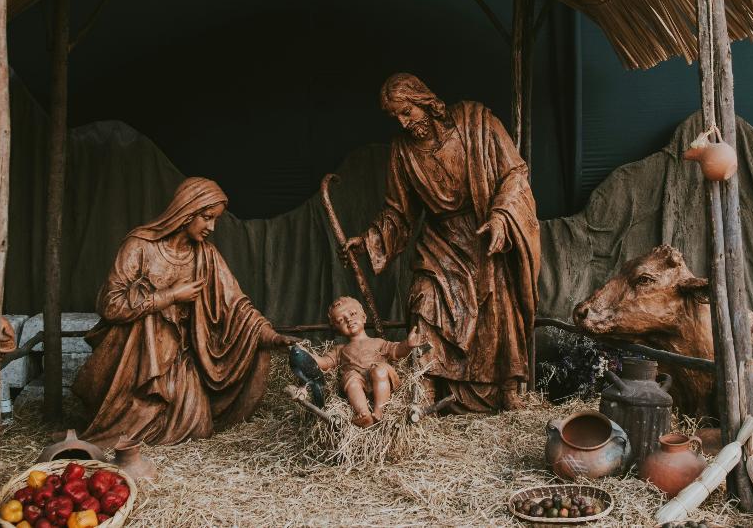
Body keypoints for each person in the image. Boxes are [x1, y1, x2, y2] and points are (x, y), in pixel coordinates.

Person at [342, 73, 540, 413]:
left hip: (483, 230)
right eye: (396, 118)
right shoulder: (402, 152)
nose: (404, 124)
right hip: (440, 241)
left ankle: (507, 390)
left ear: (423, 100)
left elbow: (514, 172)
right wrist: (371, 240)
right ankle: (427, 387)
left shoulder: (476, 121)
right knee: (425, 301)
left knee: (498, 299)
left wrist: (501, 217)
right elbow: (398, 212)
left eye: (407, 112)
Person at [72, 177, 302, 446]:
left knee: (199, 429)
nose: (211, 227)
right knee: (141, 301)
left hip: (181, 357)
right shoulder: (140, 246)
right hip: (136, 360)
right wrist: (169, 297)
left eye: (215, 219)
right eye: (207, 217)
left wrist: (271, 337)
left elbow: (237, 305)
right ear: (186, 211)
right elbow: (111, 306)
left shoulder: (206, 255)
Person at [307, 297, 428, 427]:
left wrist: (408, 345)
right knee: (350, 377)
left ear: (364, 317)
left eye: (352, 314)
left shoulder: (378, 342)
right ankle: (363, 413)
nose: (348, 319)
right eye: (341, 320)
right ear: (337, 328)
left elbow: (397, 350)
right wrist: (307, 355)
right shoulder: (340, 349)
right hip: (359, 384)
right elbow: (325, 363)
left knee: (380, 369)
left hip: (381, 380)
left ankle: (379, 410)